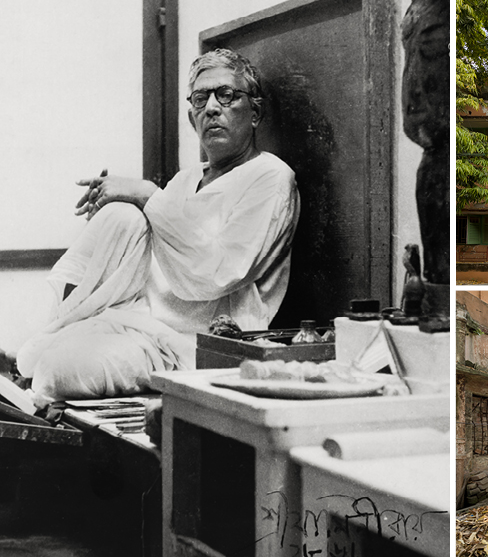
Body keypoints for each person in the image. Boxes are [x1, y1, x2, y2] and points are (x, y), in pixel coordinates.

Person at [15, 48, 300, 407]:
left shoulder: (270, 177)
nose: (212, 108)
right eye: (201, 98)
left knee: (58, 369)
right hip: (139, 323)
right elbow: (152, 256)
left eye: (226, 95)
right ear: (191, 116)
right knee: (122, 217)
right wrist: (127, 208)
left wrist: (146, 193)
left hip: (192, 345)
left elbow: (217, 273)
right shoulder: (186, 179)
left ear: (254, 112)